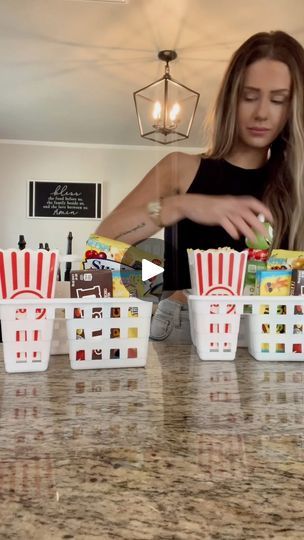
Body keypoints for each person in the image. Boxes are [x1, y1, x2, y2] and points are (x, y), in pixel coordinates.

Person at [96, 30, 304, 342]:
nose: (261, 112)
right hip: (184, 325)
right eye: (249, 96)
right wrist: (180, 205)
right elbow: (103, 243)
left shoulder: (297, 186)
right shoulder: (181, 168)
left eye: (278, 100)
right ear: (231, 99)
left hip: (272, 330)